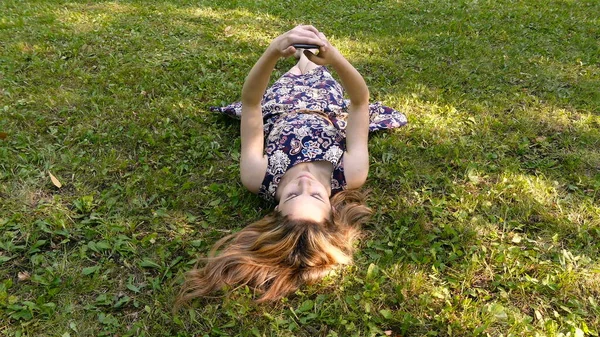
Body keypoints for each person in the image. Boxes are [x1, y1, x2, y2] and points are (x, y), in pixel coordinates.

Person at [176, 25, 407, 305]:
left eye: (293, 195)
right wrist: (333, 56)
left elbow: (251, 104)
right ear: (332, 207)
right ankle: (307, 52)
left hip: (280, 102)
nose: (305, 184)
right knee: (313, 64)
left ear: (277, 207)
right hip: (327, 102)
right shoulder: (350, 173)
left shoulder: (259, 177)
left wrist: (274, 51)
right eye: (316, 195)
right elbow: (359, 104)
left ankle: (302, 53)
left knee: (301, 63)